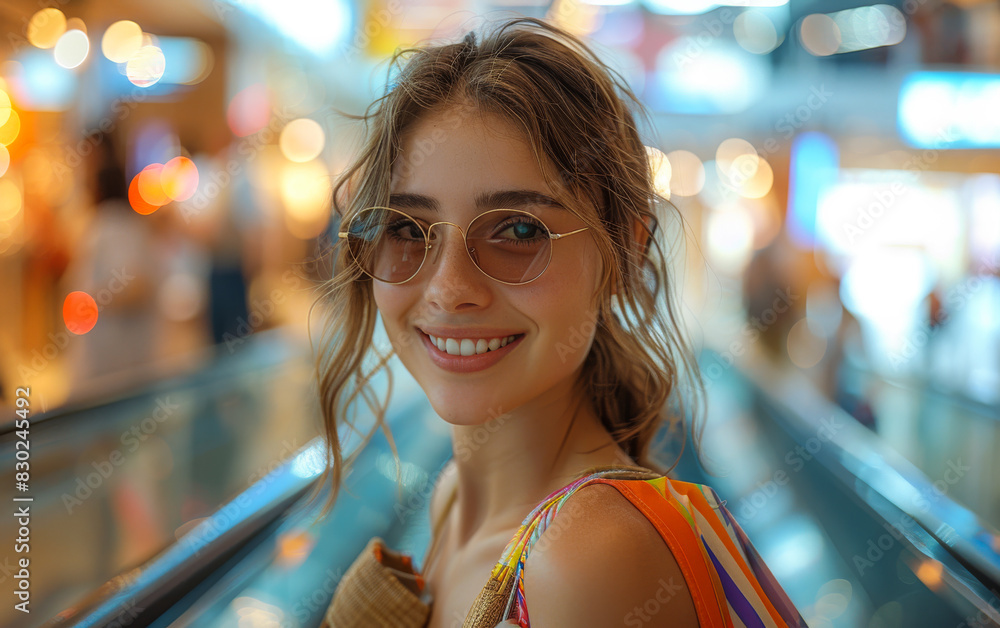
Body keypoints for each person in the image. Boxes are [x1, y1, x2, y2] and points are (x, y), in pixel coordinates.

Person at [312, 16, 805, 628]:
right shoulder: (451, 501)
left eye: (519, 231)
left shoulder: (589, 555)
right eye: (408, 230)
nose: (449, 290)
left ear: (623, 250)